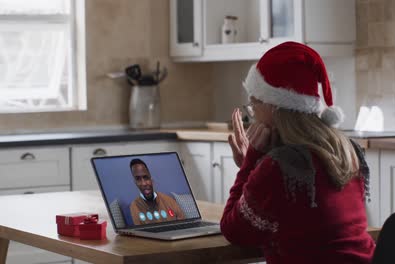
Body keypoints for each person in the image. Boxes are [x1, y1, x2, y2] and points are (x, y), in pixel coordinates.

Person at [221, 41, 375, 263]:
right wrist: (257, 167)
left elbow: (233, 230)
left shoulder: (278, 167)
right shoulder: (349, 150)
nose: (253, 116)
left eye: (254, 106)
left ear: (273, 106)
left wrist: (250, 163)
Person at [129, 158, 185, 225]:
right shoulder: (134, 206)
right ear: (135, 183)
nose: (143, 183)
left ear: (151, 179)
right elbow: (141, 233)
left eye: (146, 177)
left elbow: (183, 223)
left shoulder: (169, 200)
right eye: (138, 179)